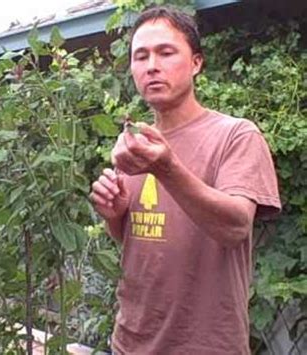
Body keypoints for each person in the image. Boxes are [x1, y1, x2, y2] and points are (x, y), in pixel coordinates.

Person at [89, 5, 281, 355]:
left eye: (166, 52)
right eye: (141, 56)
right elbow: (138, 240)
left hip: (205, 347)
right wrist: (114, 214)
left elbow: (235, 227)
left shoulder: (236, 136)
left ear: (196, 63)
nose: (152, 66)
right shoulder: (135, 141)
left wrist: (167, 168)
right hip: (129, 343)